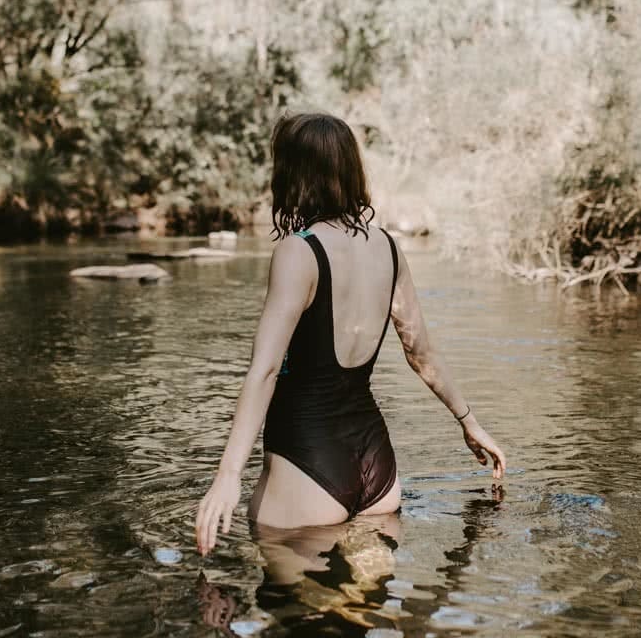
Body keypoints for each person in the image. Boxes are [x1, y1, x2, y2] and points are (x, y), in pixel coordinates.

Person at [195, 112, 506, 555]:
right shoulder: (387, 248)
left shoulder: (298, 252)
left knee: (294, 617)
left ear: (291, 174)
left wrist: (227, 477)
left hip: (307, 466)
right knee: (360, 615)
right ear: (350, 171)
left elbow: (264, 371)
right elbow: (420, 351)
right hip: (377, 469)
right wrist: (469, 422)